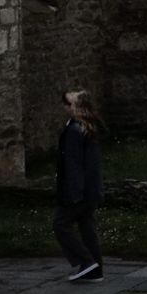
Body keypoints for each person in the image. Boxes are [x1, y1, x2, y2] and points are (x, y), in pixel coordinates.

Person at [55, 89, 105, 282]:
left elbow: (73, 163)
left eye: (69, 104)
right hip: (90, 189)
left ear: (75, 108)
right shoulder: (88, 126)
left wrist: (74, 193)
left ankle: (86, 262)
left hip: (79, 190)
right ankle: (95, 270)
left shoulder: (75, 130)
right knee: (86, 227)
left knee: (60, 224)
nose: (66, 107)